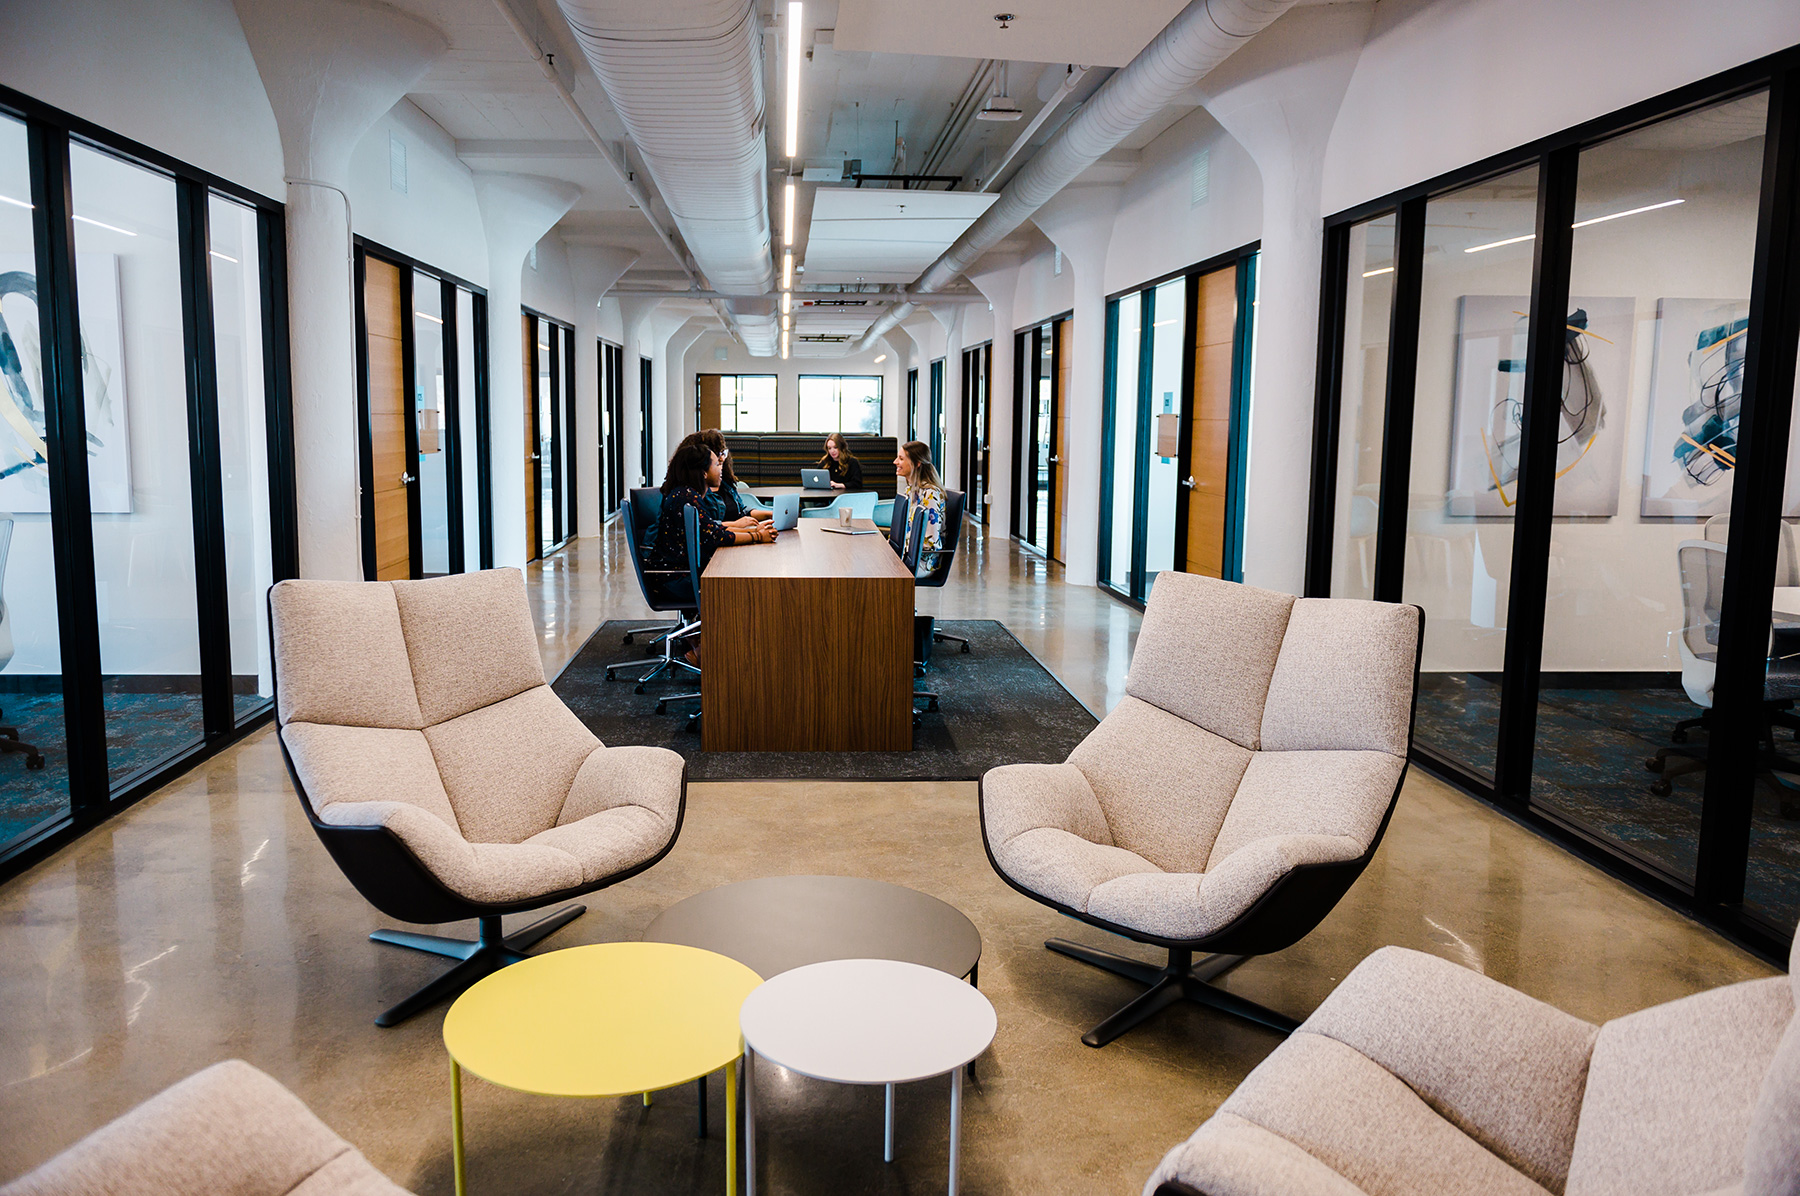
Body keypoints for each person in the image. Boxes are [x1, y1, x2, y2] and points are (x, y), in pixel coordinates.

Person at [695, 429, 772, 524]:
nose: (722, 459)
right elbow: (705, 527)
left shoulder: (726, 484)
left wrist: (769, 514)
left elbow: (741, 512)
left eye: (723, 453)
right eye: (717, 454)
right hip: (727, 537)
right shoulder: (696, 492)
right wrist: (741, 528)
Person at [895, 439, 945, 575]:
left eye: (901, 459)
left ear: (917, 464)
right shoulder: (910, 490)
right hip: (907, 554)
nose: (895, 462)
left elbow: (929, 542)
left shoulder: (930, 494)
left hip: (923, 562)